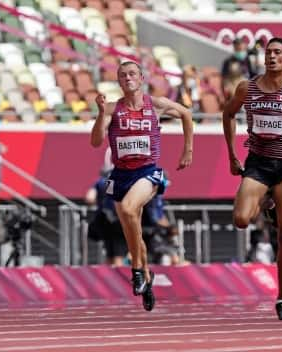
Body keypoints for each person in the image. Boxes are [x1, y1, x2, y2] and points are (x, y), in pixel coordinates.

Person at [222, 37, 282, 320]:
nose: (272, 57)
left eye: (278, 53)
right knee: (240, 219)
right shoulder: (247, 88)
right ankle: (269, 203)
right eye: (268, 53)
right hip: (258, 164)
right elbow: (228, 115)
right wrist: (231, 155)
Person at [90, 61, 193, 312]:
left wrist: (187, 150)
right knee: (132, 233)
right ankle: (146, 276)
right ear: (119, 81)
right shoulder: (113, 109)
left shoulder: (155, 105)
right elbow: (95, 142)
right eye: (123, 75)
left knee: (126, 209)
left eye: (132, 73)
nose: (128, 78)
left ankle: (135, 269)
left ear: (142, 78)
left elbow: (187, 114)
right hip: (121, 174)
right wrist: (102, 114)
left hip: (147, 172)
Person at [85, 149, 128, 266]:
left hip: (104, 223)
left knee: (109, 255)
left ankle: (108, 280)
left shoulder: (100, 182)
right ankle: (119, 282)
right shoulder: (118, 182)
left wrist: (99, 203)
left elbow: (89, 198)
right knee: (119, 256)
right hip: (118, 223)